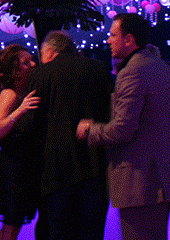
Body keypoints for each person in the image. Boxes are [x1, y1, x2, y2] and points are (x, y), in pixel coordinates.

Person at [76, 13, 170, 240]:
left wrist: (90, 130)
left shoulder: (133, 71)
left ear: (129, 39)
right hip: (163, 178)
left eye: (113, 35)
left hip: (141, 180)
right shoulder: (162, 67)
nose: (108, 40)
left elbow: (122, 129)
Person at [30, 31, 112, 240]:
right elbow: (111, 110)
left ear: (49, 51)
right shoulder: (98, 69)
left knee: (60, 232)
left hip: (56, 167)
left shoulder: (42, 75)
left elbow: (34, 122)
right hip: (94, 162)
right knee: (91, 231)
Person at [0, 44, 40, 240]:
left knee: (13, 227)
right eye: (26, 62)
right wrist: (20, 110)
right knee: (11, 228)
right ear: (15, 70)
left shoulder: (27, 92)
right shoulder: (9, 94)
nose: (33, 64)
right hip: (13, 171)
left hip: (25, 168)